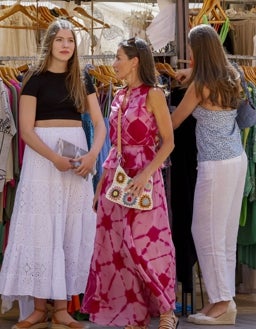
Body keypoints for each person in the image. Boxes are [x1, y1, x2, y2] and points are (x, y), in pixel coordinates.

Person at [0, 18, 106, 329]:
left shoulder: (83, 78)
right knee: (40, 227)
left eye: (70, 41)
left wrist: (92, 155)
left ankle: (62, 310)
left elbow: (100, 124)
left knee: (70, 227)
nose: (65, 45)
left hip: (76, 155)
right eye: (60, 40)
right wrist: (53, 158)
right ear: (50, 44)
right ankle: (37, 309)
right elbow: (26, 130)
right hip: (43, 157)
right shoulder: (34, 78)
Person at [81, 37, 178, 329]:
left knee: (150, 245)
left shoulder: (154, 95)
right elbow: (114, 146)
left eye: (118, 57)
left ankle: (166, 311)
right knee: (119, 248)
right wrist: (100, 186)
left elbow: (169, 142)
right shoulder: (119, 95)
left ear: (135, 61)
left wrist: (146, 174)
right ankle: (133, 315)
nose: (114, 64)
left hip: (145, 179)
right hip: (116, 178)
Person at [171, 24, 248, 325]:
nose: (188, 56)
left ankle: (219, 303)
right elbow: (207, 77)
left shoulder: (199, 85)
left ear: (197, 51)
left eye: (190, 50)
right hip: (236, 158)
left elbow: (175, 122)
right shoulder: (232, 76)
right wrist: (188, 75)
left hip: (215, 165)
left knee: (204, 234)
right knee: (225, 237)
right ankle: (225, 301)